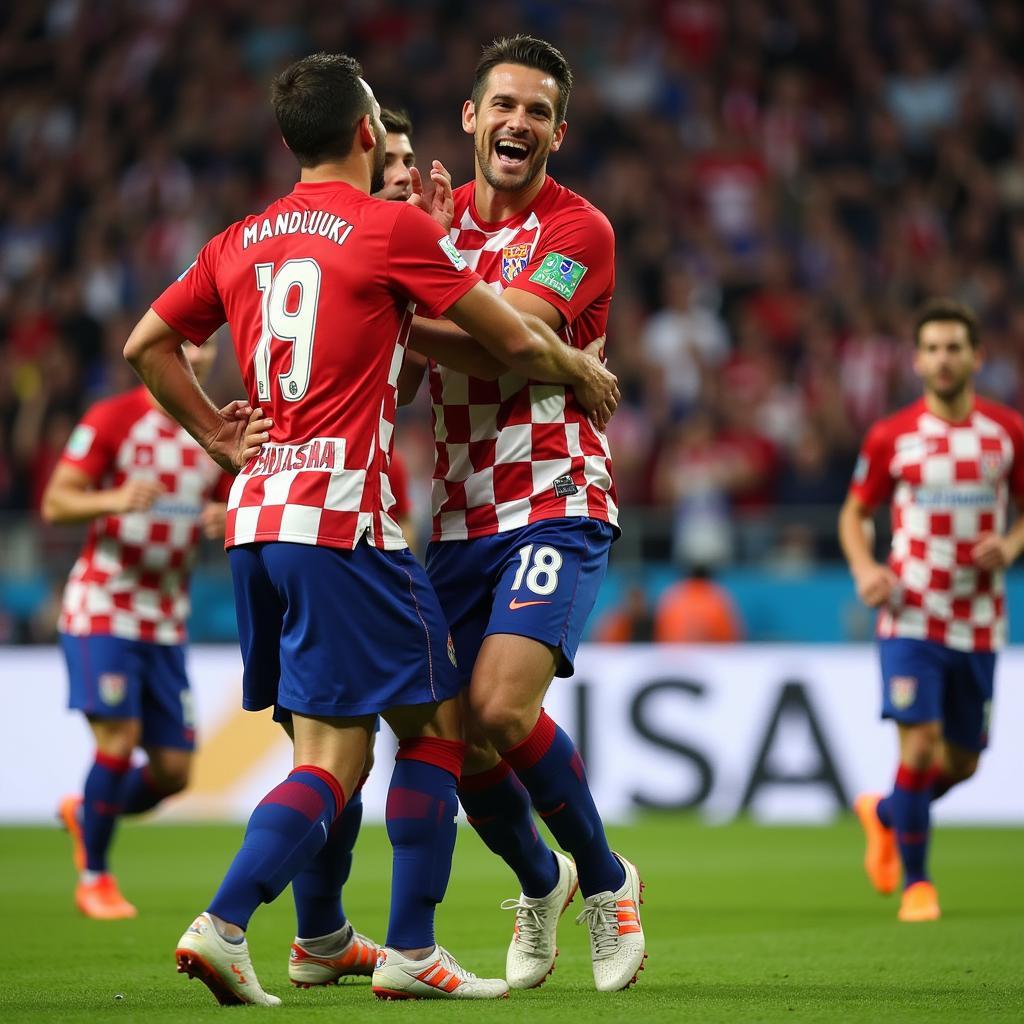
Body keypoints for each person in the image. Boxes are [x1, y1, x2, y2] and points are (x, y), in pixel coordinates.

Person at [122, 52, 617, 1005]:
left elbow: (147, 344)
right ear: (362, 136)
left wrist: (214, 433)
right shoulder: (387, 230)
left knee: (326, 743)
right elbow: (512, 339)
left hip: (255, 517)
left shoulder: (239, 239)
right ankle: (352, 939)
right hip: (346, 521)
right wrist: (580, 370)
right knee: (436, 727)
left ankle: (317, 938)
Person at [402, 35, 646, 992]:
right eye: (503, 105)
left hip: (554, 495)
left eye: (537, 112)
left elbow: (509, 346)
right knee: (447, 733)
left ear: (558, 132)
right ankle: (538, 881)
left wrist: (395, 297)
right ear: (470, 118)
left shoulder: (580, 229)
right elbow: (420, 367)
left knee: (502, 709)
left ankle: (606, 877)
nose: (517, 124)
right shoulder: (433, 220)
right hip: (457, 514)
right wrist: (407, 270)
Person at [41, 339, 257, 920]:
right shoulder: (113, 418)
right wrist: (114, 497)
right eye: (187, 339)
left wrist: (226, 512)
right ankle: (96, 878)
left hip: (166, 620)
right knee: (117, 737)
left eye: (209, 341)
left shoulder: (211, 431)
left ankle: (86, 812)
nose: (200, 352)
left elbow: (238, 498)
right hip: (103, 606)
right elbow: (57, 503)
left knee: (174, 773)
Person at [840, 298, 1024, 922]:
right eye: (933, 348)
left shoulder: (1007, 432)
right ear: (917, 361)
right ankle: (919, 885)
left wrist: (1012, 544)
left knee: (963, 762)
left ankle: (887, 812)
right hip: (911, 614)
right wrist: (868, 570)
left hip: (978, 620)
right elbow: (854, 514)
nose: (944, 359)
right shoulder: (893, 435)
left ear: (976, 356)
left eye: (955, 347)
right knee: (918, 748)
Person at [654, 564, 743, 643]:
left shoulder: (672, 595)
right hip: (713, 656)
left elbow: (660, 635)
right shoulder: (719, 596)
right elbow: (732, 638)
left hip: (674, 656)